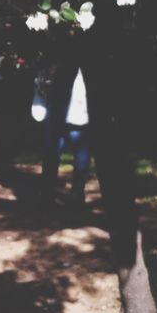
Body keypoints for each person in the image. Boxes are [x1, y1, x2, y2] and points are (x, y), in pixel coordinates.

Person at [40, 61, 91, 213]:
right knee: (77, 153)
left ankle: (49, 194)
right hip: (78, 111)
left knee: (54, 153)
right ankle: (75, 194)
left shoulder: (59, 57)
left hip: (64, 111)